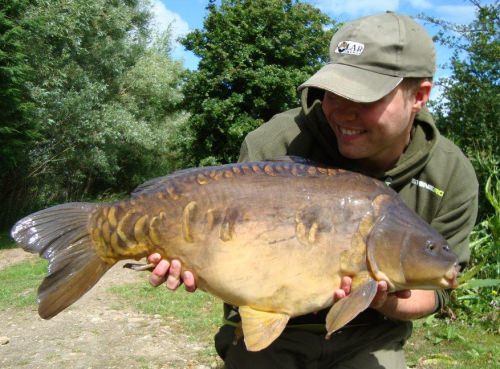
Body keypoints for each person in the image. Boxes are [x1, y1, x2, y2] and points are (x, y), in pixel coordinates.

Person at [147, 11, 479, 369]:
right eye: (334, 92)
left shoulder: (449, 174)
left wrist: (377, 297)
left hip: (367, 336)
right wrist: (189, 254)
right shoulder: (275, 142)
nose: (343, 112)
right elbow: (232, 255)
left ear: (420, 95)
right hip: (270, 330)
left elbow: (441, 287)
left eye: (365, 98)